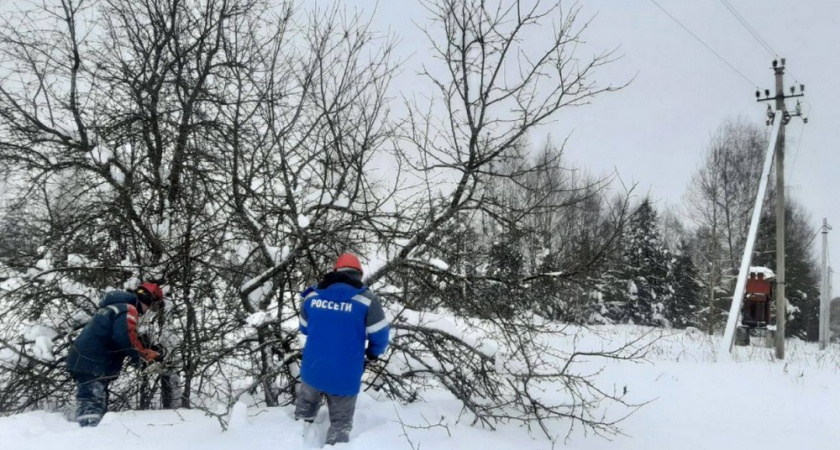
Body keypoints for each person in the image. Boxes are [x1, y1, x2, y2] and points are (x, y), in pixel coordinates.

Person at [295, 253, 390, 445]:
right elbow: (380, 335)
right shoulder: (367, 300)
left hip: (313, 368)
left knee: (304, 413)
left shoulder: (312, 296)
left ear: (335, 271)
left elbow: (304, 327)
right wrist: (372, 353)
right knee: (340, 424)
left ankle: (295, 441)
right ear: (359, 274)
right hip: (345, 375)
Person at [65, 282, 166, 427]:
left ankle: (91, 433)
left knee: (96, 399)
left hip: (88, 358)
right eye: (153, 306)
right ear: (148, 300)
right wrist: (140, 355)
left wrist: (141, 348)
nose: (150, 310)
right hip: (92, 360)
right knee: (92, 402)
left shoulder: (116, 307)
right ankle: (87, 435)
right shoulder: (128, 308)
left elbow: (122, 335)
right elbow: (123, 336)